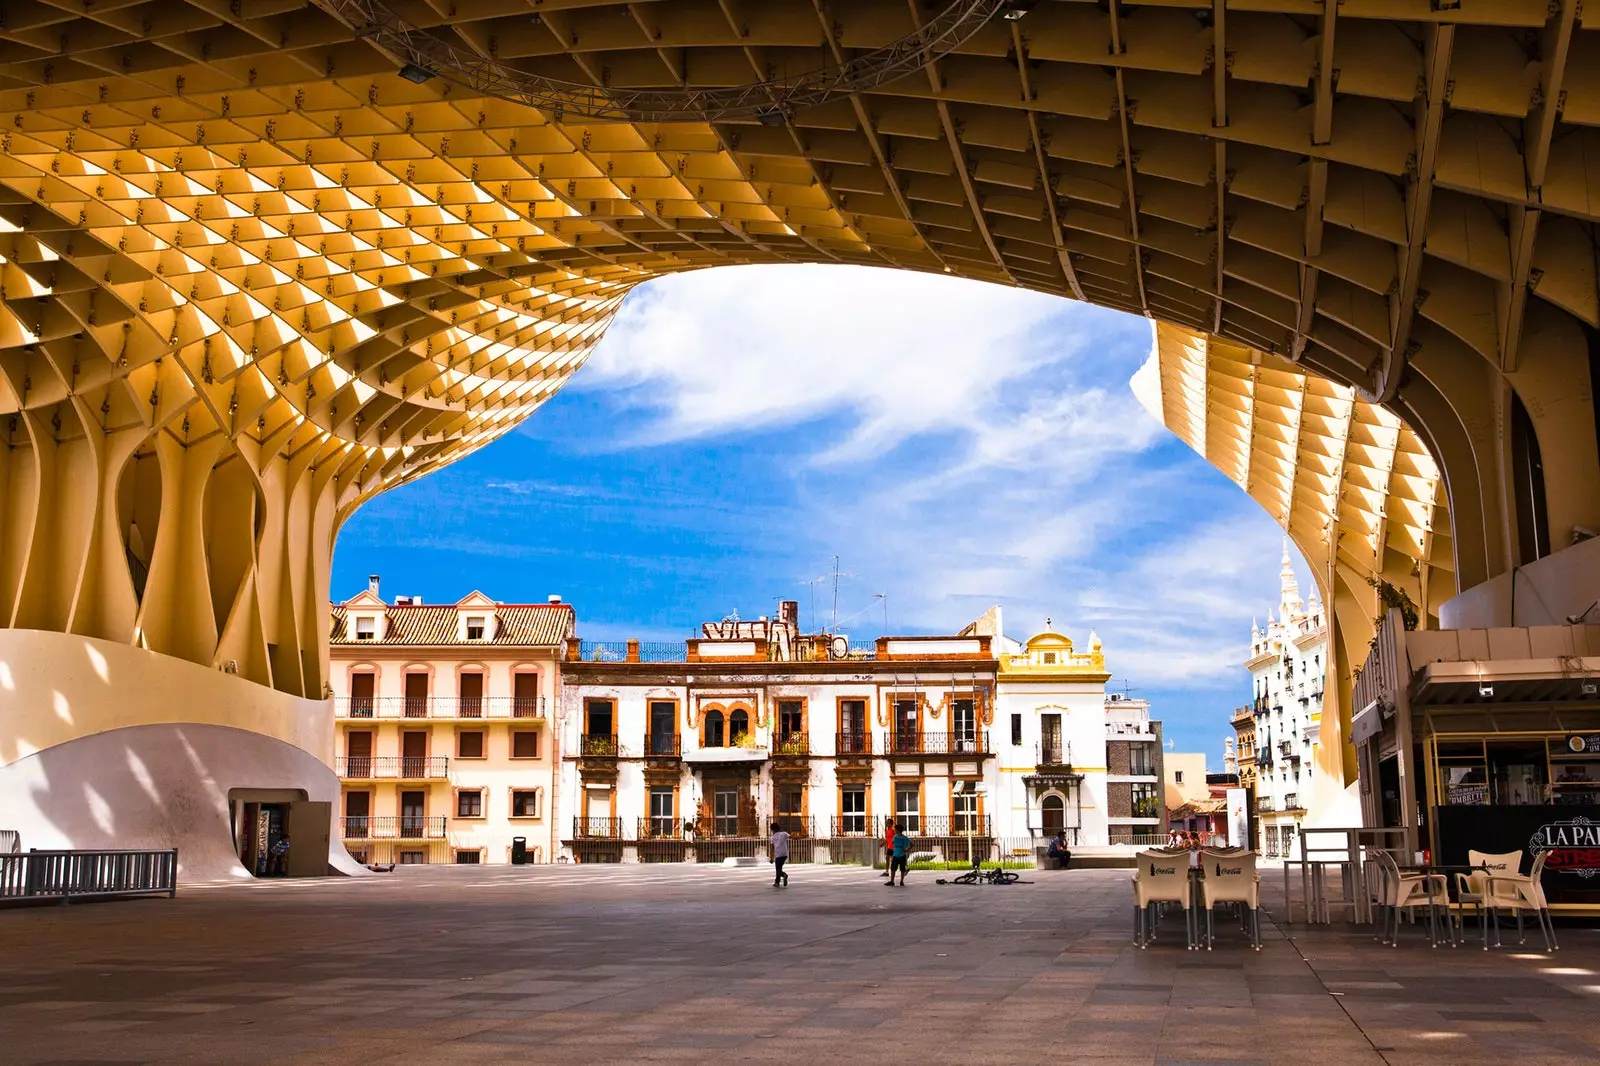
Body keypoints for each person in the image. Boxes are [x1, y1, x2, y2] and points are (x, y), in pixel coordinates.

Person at [770, 821, 790, 888]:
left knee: (778, 869)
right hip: (784, 854)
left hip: (778, 855)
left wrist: (771, 858)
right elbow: (793, 837)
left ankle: (784, 875)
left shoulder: (772, 837)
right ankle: (777, 882)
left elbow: (772, 848)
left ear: (772, 830)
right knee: (779, 868)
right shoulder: (784, 833)